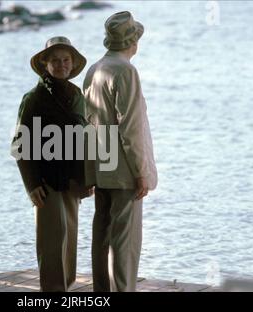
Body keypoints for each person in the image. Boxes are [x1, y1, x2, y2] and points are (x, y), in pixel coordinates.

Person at [83, 11, 158, 292]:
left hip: (101, 164)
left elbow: (87, 124)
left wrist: (89, 170)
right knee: (125, 243)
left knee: (101, 235)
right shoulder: (126, 71)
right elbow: (131, 128)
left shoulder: (94, 69)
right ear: (133, 42)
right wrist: (141, 172)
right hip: (124, 170)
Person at [11, 36, 91, 291]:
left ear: (73, 63)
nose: (61, 65)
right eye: (55, 60)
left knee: (69, 244)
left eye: (66, 60)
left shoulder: (77, 95)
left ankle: (64, 291)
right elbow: (20, 145)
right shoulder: (34, 98)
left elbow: (85, 137)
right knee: (52, 245)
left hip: (72, 183)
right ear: (45, 63)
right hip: (46, 184)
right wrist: (32, 185)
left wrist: (89, 178)